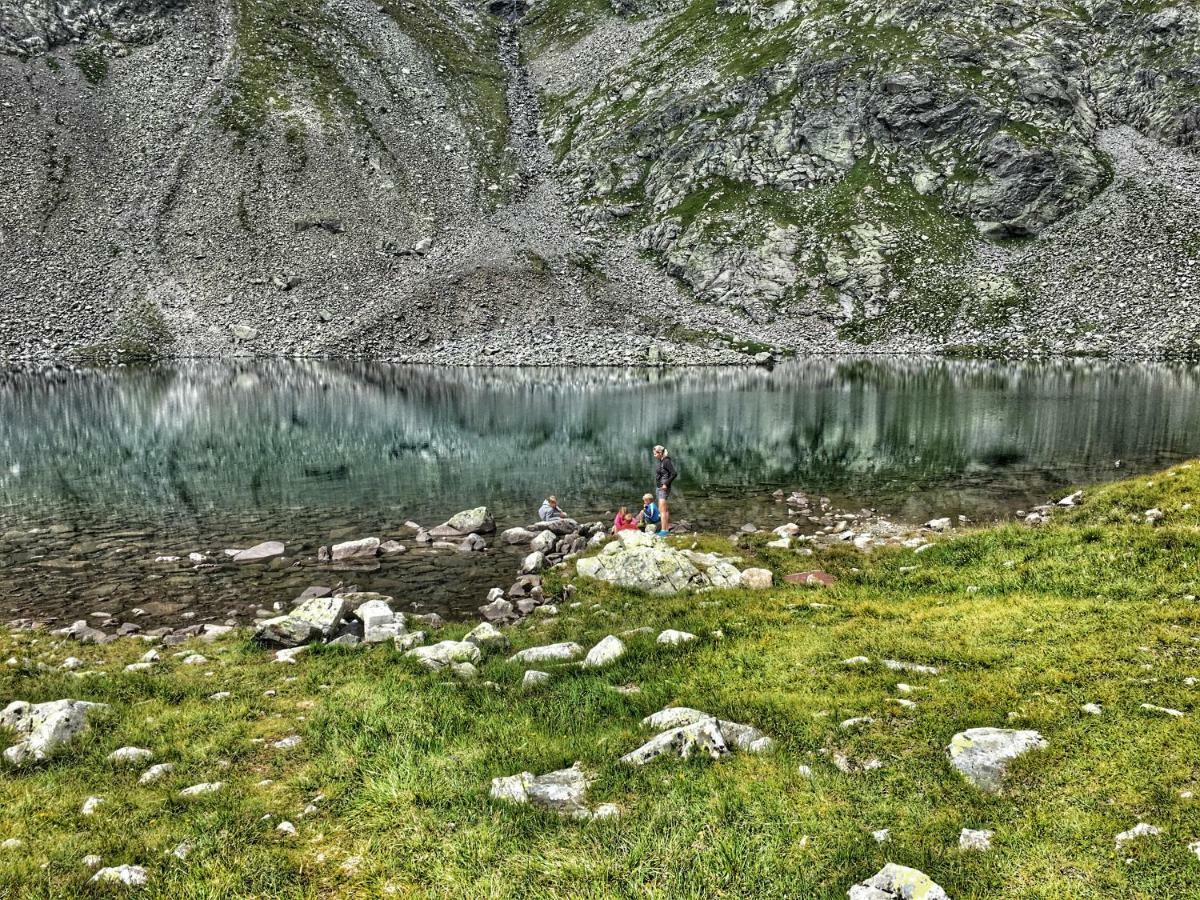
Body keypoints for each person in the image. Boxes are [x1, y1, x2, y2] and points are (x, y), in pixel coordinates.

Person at [652, 445, 676, 537]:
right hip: (660, 488)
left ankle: (663, 530)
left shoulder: (666, 461)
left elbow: (674, 473)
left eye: (655, 454)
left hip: (663, 488)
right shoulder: (662, 461)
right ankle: (665, 529)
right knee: (664, 509)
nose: (654, 456)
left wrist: (666, 484)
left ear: (660, 453)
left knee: (662, 510)